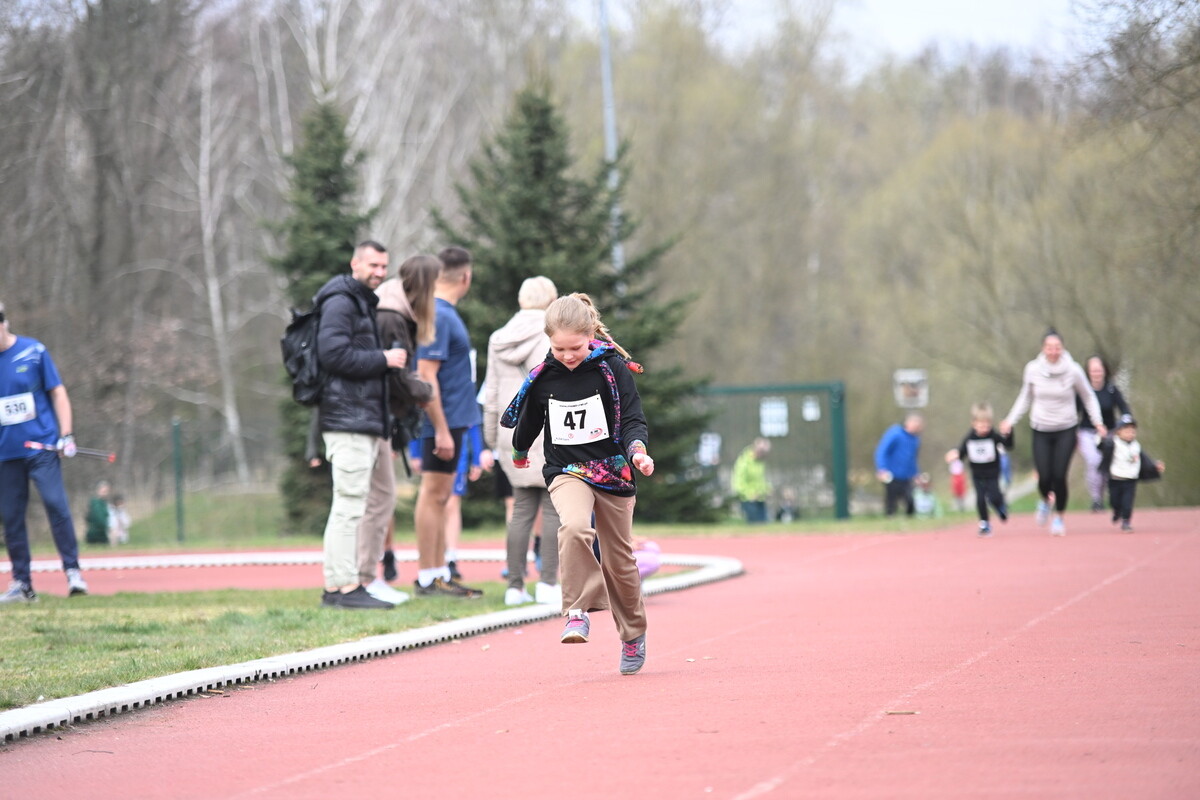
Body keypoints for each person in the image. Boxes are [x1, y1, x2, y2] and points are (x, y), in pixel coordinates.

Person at [503, 292, 655, 676]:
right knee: (572, 526)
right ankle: (576, 611)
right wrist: (520, 451)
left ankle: (632, 634)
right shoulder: (544, 376)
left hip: (614, 470)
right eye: (559, 348)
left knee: (620, 563)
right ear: (548, 341)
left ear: (590, 335)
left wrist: (637, 451)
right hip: (567, 470)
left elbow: (633, 418)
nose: (568, 356)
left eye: (575, 348)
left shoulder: (611, 369)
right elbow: (530, 421)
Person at [312, 240, 409, 610]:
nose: (379, 272)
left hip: (361, 419)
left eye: (384, 266)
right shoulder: (341, 301)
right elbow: (332, 353)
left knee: (352, 504)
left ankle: (343, 586)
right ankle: (343, 588)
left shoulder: (359, 300)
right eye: (373, 265)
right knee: (349, 505)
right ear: (355, 263)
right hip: (348, 418)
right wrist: (383, 358)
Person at [0, 299, 89, 602]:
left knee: (55, 504)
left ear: (4, 323)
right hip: (5, 455)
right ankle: (23, 585)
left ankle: (73, 572)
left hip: (42, 448)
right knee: (11, 517)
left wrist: (66, 434)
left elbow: (58, 392)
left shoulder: (33, 351)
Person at [483, 276, 562, 608]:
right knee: (553, 508)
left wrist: (491, 438)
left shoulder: (498, 339)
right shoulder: (550, 335)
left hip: (508, 432)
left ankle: (514, 586)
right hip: (546, 430)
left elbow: (490, 394)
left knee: (520, 510)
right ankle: (548, 584)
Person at [412, 246, 484, 598]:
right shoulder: (439, 315)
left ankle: (439, 572)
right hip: (442, 421)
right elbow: (426, 375)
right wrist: (440, 427)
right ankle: (427, 577)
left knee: (442, 497)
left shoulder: (445, 313)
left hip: (453, 420)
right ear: (465, 277)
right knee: (433, 494)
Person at [999, 329, 1105, 536]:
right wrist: (1010, 421)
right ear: (1043, 349)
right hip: (1041, 429)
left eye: (1057, 348)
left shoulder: (1073, 370)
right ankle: (1045, 501)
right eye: (1049, 348)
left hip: (1066, 428)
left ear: (1062, 349)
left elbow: (1088, 396)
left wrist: (1097, 421)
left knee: (1059, 475)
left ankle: (1059, 518)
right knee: (1044, 477)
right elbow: (1025, 397)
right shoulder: (1032, 369)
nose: (1053, 352)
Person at [374, 256, 438, 594]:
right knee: (378, 499)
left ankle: (369, 577)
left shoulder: (398, 313)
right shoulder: (391, 317)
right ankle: (367, 577)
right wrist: (424, 391)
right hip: (375, 415)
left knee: (382, 497)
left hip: (387, 415)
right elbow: (395, 375)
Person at [945, 402, 1014, 536]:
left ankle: (1000, 506)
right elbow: (962, 452)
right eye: (981, 425)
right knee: (980, 498)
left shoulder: (993, 436)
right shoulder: (970, 438)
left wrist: (1009, 434)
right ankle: (984, 524)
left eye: (987, 425)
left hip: (993, 472)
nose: (984, 428)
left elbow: (1008, 446)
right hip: (977, 474)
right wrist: (954, 455)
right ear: (974, 423)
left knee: (994, 496)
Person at [1076, 355, 1132, 512]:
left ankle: (1112, 497)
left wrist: (1127, 423)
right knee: (1094, 462)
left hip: (1110, 433)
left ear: (1104, 371)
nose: (1096, 373)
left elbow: (1124, 409)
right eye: (1093, 370)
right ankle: (1096, 498)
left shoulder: (1112, 389)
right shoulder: (1082, 390)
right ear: (1087, 372)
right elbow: (1074, 412)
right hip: (1087, 433)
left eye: (1099, 370)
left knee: (1110, 467)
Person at [1098, 414, 1164, 533]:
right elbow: (1101, 447)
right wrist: (1101, 437)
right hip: (1115, 478)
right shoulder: (1113, 443)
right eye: (1127, 431)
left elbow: (1144, 459)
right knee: (1114, 501)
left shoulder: (1136, 446)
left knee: (1127, 502)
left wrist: (1155, 465)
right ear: (1118, 432)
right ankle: (1117, 511)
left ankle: (1126, 522)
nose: (1130, 434)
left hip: (1130, 479)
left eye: (1132, 432)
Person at [874, 412, 924, 516]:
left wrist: (916, 474)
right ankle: (890, 519)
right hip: (891, 474)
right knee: (891, 501)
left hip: (906, 476)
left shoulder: (915, 440)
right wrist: (882, 469)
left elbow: (912, 458)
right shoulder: (895, 433)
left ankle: (911, 523)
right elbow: (882, 451)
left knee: (910, 500)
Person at [731, 437, 771, 522]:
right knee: (754, 525)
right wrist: (749, 494)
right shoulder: (744, 462)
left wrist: (767, 489)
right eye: (763, 452)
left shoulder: (760, 463)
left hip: (761, 498)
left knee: (764, 525)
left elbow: (761, 480)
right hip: (749, 500)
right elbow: (738, 482)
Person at [85, 480, 112, 545]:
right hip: (96, 535)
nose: (105, 493)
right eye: (103, 491)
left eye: (106, 491)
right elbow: (99, 519)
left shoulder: (104, 503)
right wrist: (108, 528)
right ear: (98, 490)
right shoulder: (96, 503)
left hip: (102, 534)